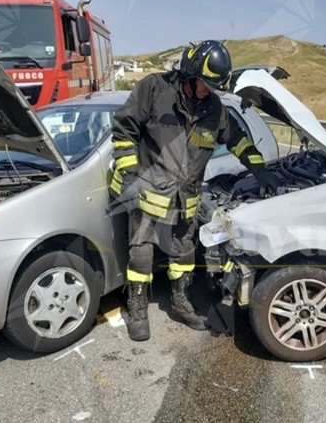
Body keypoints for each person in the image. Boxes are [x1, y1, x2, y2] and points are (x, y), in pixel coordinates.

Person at [110, 39, 280, 341]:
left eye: (213, 86)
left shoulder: (215, 109)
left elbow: (238, 140)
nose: (208, 90)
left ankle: (180, 303)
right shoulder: (154, 89)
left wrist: (260, 170)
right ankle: (137, 309)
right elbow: (124, 130)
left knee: (184, 252)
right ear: (189, 75)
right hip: (150, 193)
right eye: (204, 84)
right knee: (141, 255)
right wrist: (130, 173)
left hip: (186, 198)